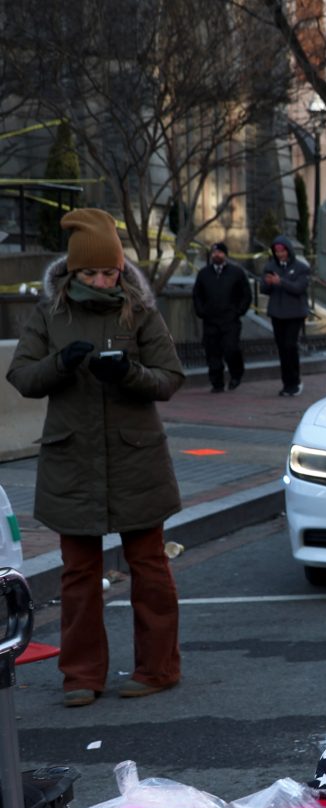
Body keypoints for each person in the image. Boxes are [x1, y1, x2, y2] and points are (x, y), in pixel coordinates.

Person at [6, 209, 184, 707]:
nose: (102, 280)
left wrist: (128, 372)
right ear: (73, 272)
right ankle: (81, 675)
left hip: (136, 461)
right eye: (91, 273)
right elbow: (22, 376)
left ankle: (159, 668)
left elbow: (169, 377)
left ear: (120, 269)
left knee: (149, 568)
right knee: (78, 575)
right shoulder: (50, 314)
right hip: (73, 462)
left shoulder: (140, 311)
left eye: (109, 271)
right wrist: (60, 364)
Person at [190, 241, 251, 392]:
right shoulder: (204, 274)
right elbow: (197, 294)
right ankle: (217, 383)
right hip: (210, 320)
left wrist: (239, 311)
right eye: (214, 253)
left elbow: (246, 294)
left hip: (230, 320)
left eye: (220, 252)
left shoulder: (236, 273)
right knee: (212, 352)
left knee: (231, 349)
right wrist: (201, 311)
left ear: (225, 255)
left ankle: (236, 375)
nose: (217, 255)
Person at [260, 235, 310, 396]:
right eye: (277, 252)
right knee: (282, 348)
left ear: (288, 251)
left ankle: (295, 382)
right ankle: (286, 383)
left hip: (294, 313)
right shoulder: (270, 266)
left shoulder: (301, 268)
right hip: (277, 313)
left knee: (290, 346)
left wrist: (280, 282)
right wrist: (268, 283)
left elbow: (299, 288)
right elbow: (263, 289)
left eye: (282, 251)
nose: (280, 254)